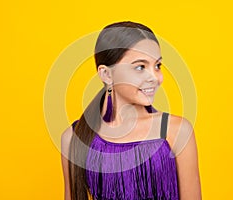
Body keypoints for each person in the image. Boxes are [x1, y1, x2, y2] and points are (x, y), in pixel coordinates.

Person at [61, 21, 201, 200]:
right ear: (107, 74)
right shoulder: (74, 138)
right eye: (140, 67)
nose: (156, 77)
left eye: (157, 66)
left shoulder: (177, 131)